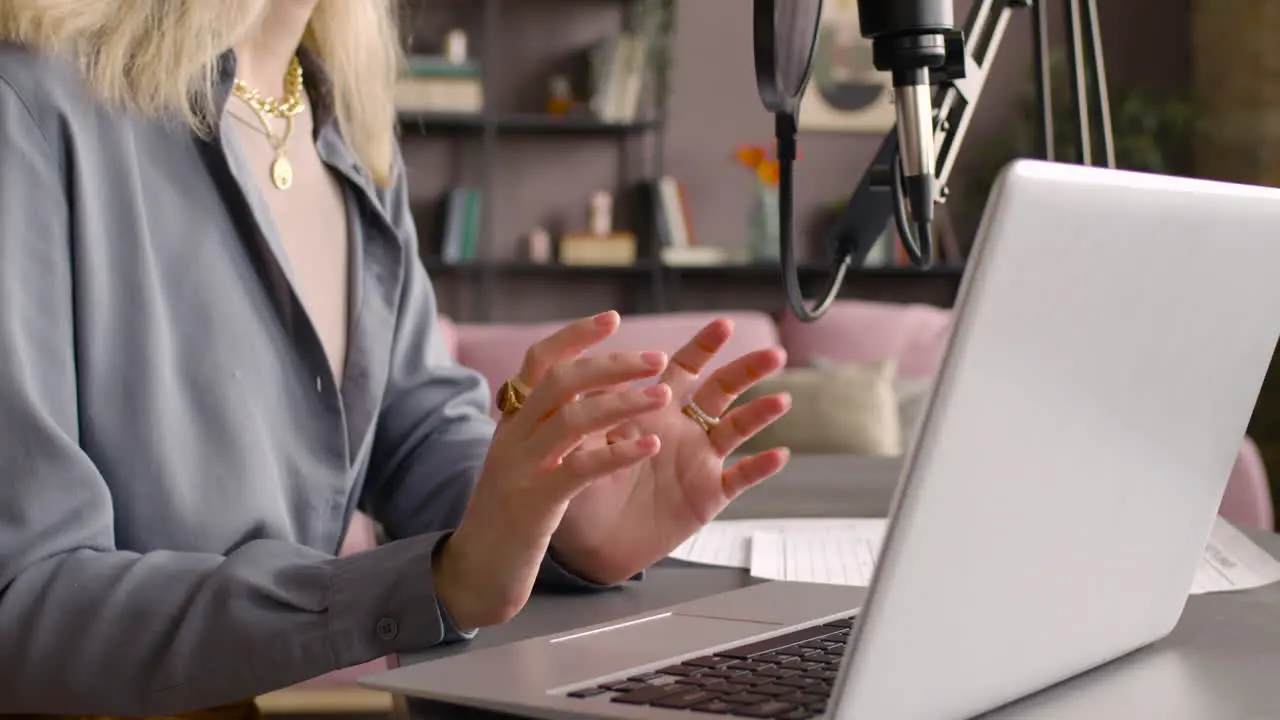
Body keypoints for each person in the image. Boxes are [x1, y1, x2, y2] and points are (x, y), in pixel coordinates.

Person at [0, 0, 794, 715]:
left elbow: (416, 430)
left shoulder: (346, 129)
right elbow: (22, 600)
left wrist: (555, 515)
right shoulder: (30, 101)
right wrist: (433, 581)